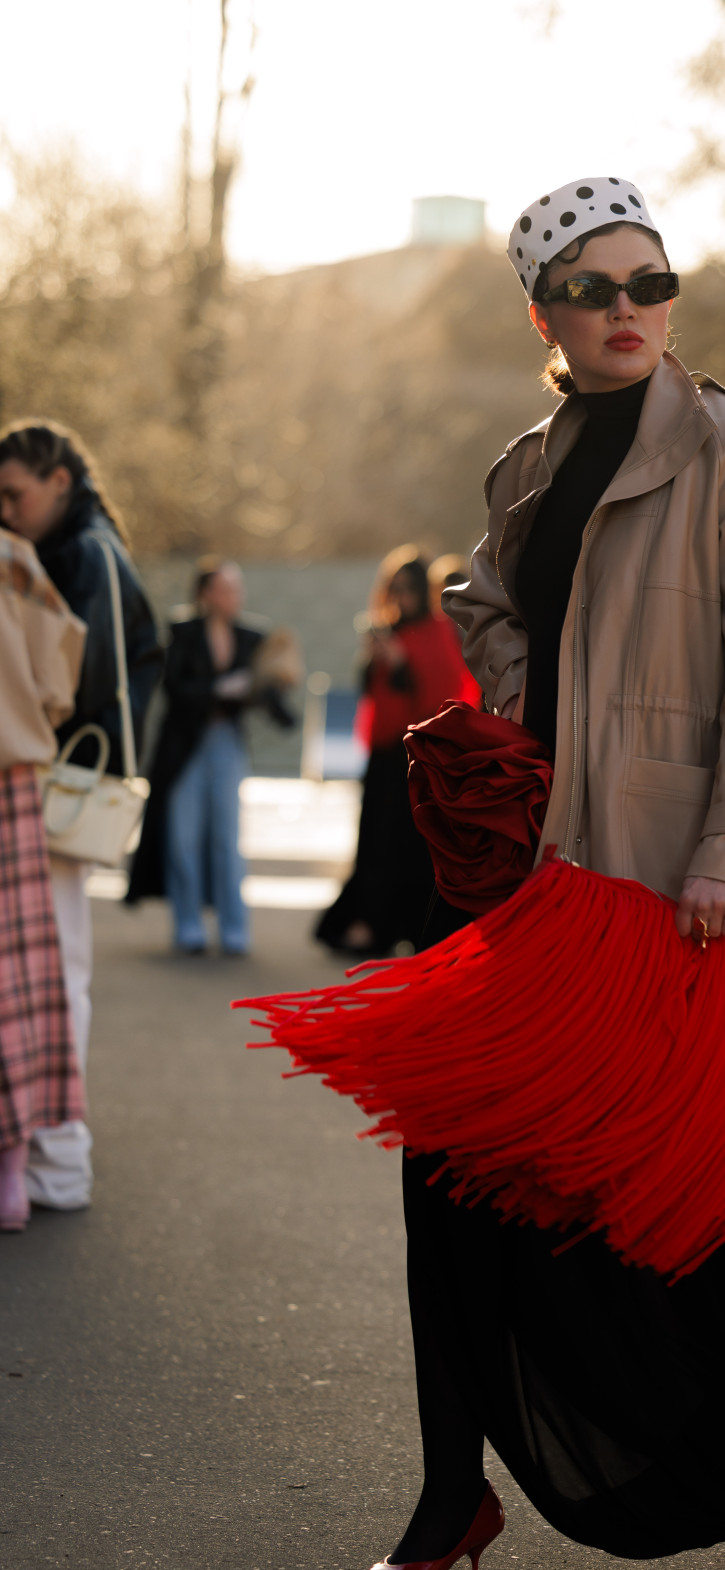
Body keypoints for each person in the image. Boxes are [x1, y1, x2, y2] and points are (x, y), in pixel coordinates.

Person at [350, 176, 725, 1570]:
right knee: (446, 1169)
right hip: (526, 874)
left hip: (657, 876)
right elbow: (484, 596)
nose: (629, 310)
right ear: (545, 313)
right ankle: (451, 1489)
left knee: (689, 1185)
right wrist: (513, 709)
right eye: (595, 289)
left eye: (649, 283)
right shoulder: (528, 462)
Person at [0, 421, 162, 1213]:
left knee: (55, 967)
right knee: (57, 964)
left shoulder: (83, 554)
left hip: (57, 781)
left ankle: (58, 1157)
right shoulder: (89, 544)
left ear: (58, 480)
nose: (6, 508)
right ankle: (49, 1151)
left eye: (14, 492)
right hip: (70, 779)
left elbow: (84, 673)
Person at [125, 559, 297, 955]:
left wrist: (278, 694)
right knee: (183, 836)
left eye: (237, 588)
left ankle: (235, 929)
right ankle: (188, 927)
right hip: (185, 744)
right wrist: (220, 689)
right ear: (206, 593)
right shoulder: (182, 632)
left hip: (227, 741)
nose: (235, 596)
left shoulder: (253, 637)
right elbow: (174, 689)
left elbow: (266, 692)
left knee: (226, 838)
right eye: (226, 588)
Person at [315, 550, 479, 958]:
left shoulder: (435, 631)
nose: (402, 597)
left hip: (418, 753)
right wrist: (379, 658)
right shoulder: (391, 630)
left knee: (412, 843)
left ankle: (406, 928)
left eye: (410, 589)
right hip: (383, 752)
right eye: (396, 589)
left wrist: (403, 662)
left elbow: (441, 693)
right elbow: (374, 691)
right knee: (375, 839)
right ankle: (370, 923)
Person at [0, 529, 87, 1230]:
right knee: (17, 978)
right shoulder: (13, 559)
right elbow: (59, 668)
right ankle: (11, 1173)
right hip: (9, 778)